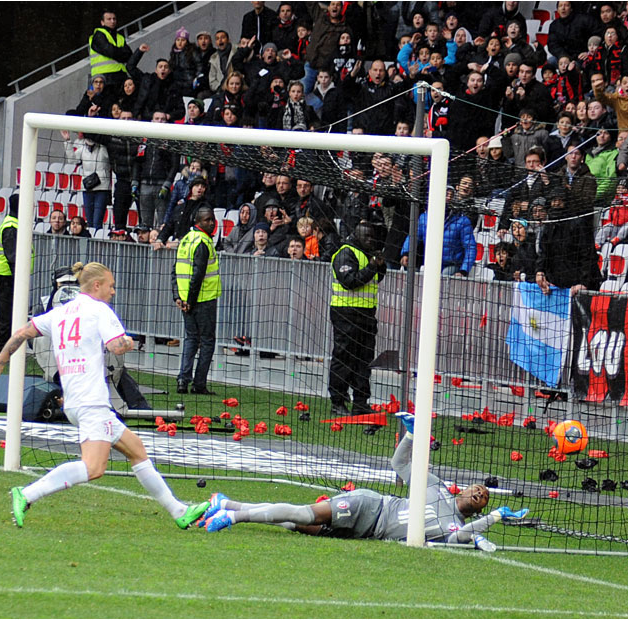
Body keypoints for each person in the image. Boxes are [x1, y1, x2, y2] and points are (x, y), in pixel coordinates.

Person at [0, 261, 209, 529]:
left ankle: (179, 511)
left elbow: (22, 332)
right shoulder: (99, 310)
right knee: (94, 468)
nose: (113, 292)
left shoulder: (60, 312)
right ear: (97, 285)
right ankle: (26, 494)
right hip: (91, 402)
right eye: (111, 286)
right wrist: (130, 341)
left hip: (75, 400)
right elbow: (117, 347)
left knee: (137, 451)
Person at [200, 412, 530, 552]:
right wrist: (412, 436)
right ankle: (233, 516)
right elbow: (399, 463)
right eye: (479, 488)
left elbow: (469, 537)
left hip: (363, 532)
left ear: (476, 509)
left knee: (292, 524)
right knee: (302, 514)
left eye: (484, 497)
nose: (480, 492)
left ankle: (224, 503)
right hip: (369, 505)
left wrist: (498, 516)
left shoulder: (452, 529)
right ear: (467, 486)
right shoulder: (435, 486)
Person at [328, 221, 386, 416]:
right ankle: (338, 401)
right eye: (367, 237)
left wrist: (380, 265)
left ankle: (361, 402)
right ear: (357, 235)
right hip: (346, 314)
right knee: (343, 358)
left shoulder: (368, 253)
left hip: (366, 315)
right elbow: (349, 282)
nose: (370, 240)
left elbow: (375, 279)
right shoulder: (346, 252)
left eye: (372, 237)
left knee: (364, 360)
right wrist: (371, 266)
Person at [172, 207, 221, 395]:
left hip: (186, 299)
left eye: (213, 219)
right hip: (203, 299)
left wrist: (177, 296)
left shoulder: (186, 239)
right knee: (207, 341)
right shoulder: (202, 242)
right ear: (198, 221)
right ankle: (199, 384)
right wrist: (190, 300)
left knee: (191, 339)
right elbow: (198, 275)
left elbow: (175, 270)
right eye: (208, 220)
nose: (212, 223)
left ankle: (183, 380)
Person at [0, 195, 27, 357]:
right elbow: (12, 256)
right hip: (7, 275)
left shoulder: (13, 224)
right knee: (6, 314)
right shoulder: (12, 226)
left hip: (6, 274)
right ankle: (1, 350)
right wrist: (18, 277)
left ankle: (5, 349)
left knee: (9, 313)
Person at [62, 129, 111, 229]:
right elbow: (72, 160)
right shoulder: (82, 149)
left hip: (102, 187)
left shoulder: (103, 148)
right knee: (89, 219)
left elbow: (108, 156)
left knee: (97, 220)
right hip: (87, 186)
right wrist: (67, 141)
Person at [88, 10, 133, 89]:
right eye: (109, 19)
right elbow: (110, 51)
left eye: (114, 19)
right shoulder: (98, 35)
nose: (112, 21)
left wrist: (116, 52)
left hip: (120, 75)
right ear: (102, 22)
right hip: (102, 76)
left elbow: (129, 55)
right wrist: (121, 53)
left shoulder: (120, 37)